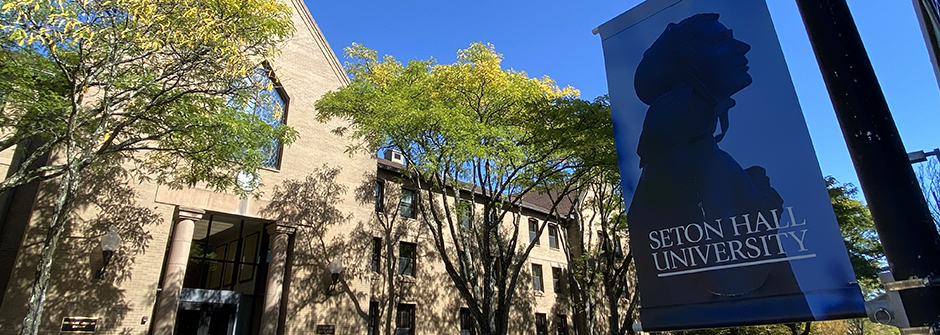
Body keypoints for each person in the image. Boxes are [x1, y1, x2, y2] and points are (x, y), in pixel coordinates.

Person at [627, 13, 812, 326]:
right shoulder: (683, 159)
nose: (743, 47)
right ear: (690, 63)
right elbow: (729, 281)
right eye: (720, 41)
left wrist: (756, 206)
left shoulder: (705, 155)